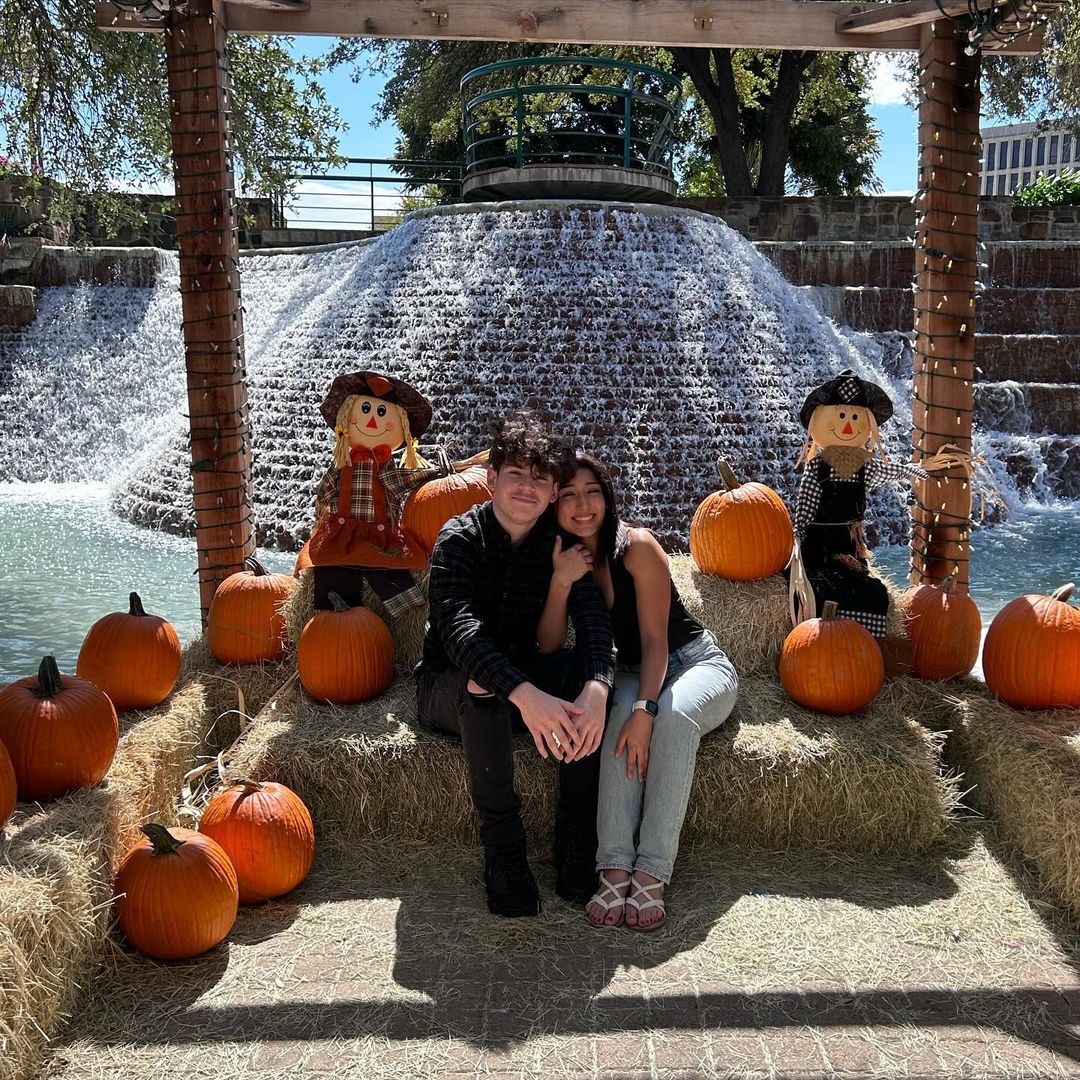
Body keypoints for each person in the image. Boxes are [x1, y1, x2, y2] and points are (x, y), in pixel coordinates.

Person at [416, 414, 615, 918]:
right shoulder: (458, 539)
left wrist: (597, 687)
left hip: (527, 679)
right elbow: (460, 634)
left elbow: (594, 622)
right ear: (491, 479)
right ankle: (503, 848)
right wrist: (526, 695)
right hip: (450, 688)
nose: (527, 487)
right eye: (516, 475)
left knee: (582, 677)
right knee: (482, 681)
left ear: (552, 493)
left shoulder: (559, 545)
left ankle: (575, 836)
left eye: (540, 478)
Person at [537, 453, 738, 931]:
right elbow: (547, 644)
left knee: (672, 718)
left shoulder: (639, 547)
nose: (583, 505)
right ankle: (613, 866)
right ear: (554, 504)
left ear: (608, 498)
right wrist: (561, 581)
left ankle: (650, 870)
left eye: (593, 492)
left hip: (691, 662)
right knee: (613, 715)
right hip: (626, 669)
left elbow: (655, 642)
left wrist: (646, 712)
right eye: (569, 495)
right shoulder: (564, 556)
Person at [309, 371, 449, 616]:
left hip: (380, 534)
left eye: (382, 413)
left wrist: (430, 473)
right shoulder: (342, 464)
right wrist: (320, 522)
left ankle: (409, 618)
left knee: (388, 570)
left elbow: (396, 483)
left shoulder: (385, 466)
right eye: (365, 410)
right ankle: (337, 618)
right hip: (343, 533)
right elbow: (324, 492)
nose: (372, 421)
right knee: (334, 572)